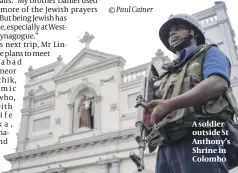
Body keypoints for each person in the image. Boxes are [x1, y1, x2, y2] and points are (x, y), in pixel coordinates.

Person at [141, 14, 238, 173]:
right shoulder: (168, 74)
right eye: (170, 32)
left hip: (201, 136)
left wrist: (169, 104)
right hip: (167, 145)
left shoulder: (209, 52)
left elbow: (218, 83)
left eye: (178, 28)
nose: (172, 33)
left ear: (194, 33)